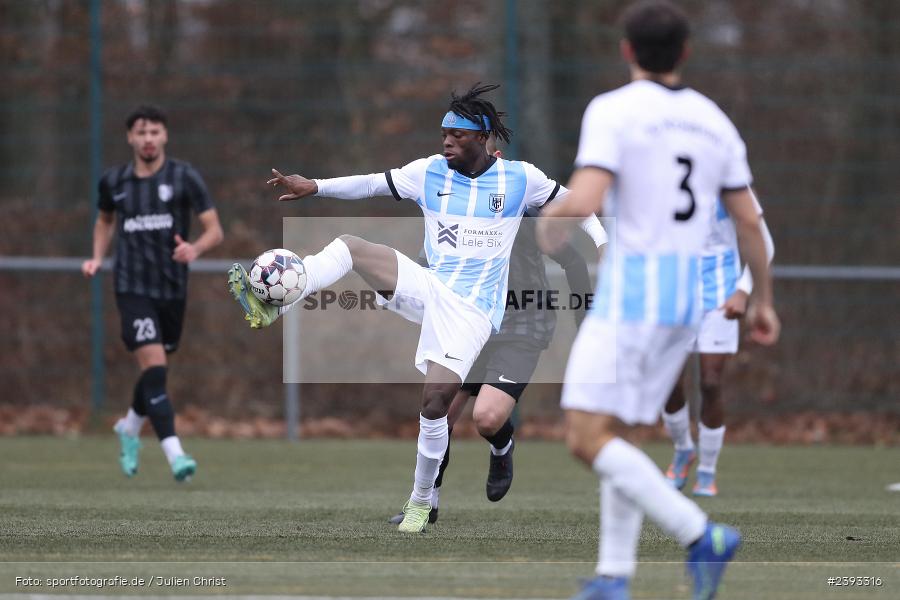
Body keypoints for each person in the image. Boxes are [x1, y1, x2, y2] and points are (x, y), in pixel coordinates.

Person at [228, 83, 570, 533]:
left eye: (457, 133)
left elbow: (578, 206)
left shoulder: (519, 179)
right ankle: (290, 294)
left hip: (472, 312)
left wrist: (610, 241)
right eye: (443, 131)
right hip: (430, 286)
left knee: (434, 406)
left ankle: (420, 502)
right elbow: (372, 183)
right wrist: (314, 186)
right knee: (351, 247)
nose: (445, 140)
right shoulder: (428, 171)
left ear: (483, 137)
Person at [536, 2, 780, 599]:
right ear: (686, 52)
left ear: (626, 50)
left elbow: (587, 193)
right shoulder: (713, 121)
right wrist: (763, 298)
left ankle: (701, 534)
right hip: (687, 301)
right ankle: (613, 579)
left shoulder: (614, 110)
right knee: (615, 431)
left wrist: (551, 222)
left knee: (584, 437)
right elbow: (749, 220)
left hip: (635, 294)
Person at [389, 138, 607, 525]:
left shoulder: (526, 218)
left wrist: (584, 320)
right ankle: (426, 502)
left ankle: (502, 443)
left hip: (522, 324)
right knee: (440, 410)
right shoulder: (453, 212)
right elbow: (429, 270)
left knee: (486, 418)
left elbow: (574, 263)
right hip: (470, 323)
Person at [82, 105, 223, 482]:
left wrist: (194, 248)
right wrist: (96, 258)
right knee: (156, 370)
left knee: (154, 372)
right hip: (132, 288)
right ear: (130, 137)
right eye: (141, 132)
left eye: (154, 132)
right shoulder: (114, 182)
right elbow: (104, 220)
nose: (148, 139)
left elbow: (214, 230)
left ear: (165, 136)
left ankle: (129, 426)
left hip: (173, 288)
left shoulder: (184, 177)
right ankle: (175, 454)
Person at [662, 193, 774, 497]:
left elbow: (763, 239)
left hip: (721, 298)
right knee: (668, 383)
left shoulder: (726, 177)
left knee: (711, 383)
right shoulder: (663, 171)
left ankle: (707, 471)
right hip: (674, 294)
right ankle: (684, 449)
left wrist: (743, 290)